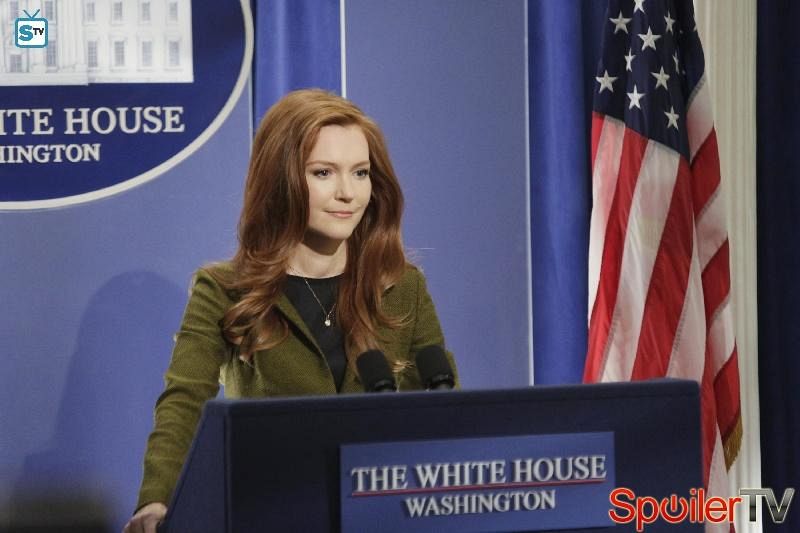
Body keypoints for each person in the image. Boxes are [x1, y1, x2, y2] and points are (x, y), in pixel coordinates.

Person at [123, 89, 457, 533]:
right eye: (323, 173)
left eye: (360, 173)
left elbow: (439, 411)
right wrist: (157, 499)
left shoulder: (402, 286)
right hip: (270, 512)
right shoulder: (225, 289)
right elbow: (184, 402)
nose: (348, 193)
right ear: (281, 180)